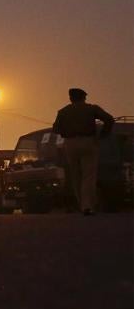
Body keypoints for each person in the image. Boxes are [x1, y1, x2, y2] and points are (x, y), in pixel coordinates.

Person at [53, 88, 114, 216]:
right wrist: (103, 134)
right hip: (88, 141)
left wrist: (67, 132)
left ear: (71, 98)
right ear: (84, 98)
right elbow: (109, 119)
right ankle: (87, 205)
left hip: (70, 143)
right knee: (89, 175)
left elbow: (56, 129)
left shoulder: (63, 112)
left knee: (75, 175)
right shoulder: (91, 109)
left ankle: (81, 204)